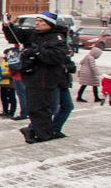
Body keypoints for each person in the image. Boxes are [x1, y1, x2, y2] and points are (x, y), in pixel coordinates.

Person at [4, 12, 70, 144]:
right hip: (32, 77)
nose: (37, 23)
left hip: (46, 78)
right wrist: (8, 26)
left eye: (41, 21)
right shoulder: (33, 33)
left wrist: (36, 51)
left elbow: (55, 57)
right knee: (37, 108)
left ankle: (42, 134)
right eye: (37, 21)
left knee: (45, 108)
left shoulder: (57, 38)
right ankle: (40, 133)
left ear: (50, 24)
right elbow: (16, 35)